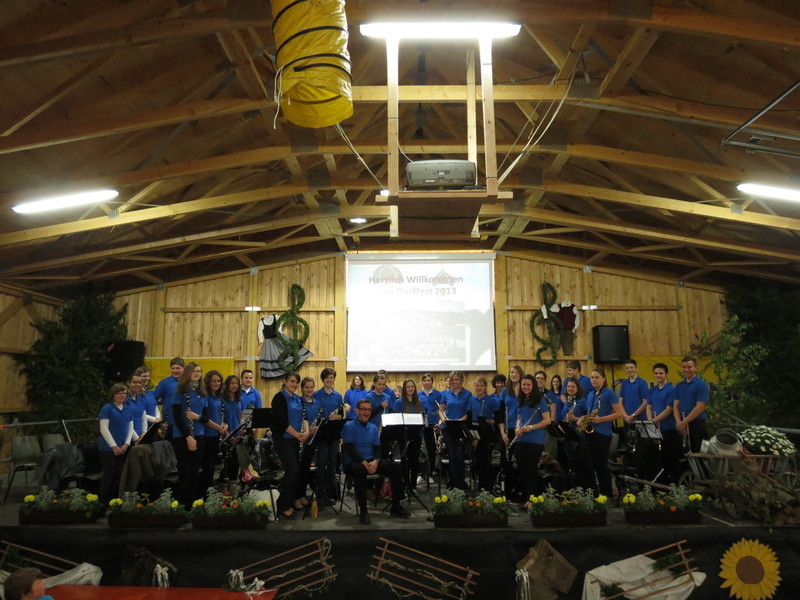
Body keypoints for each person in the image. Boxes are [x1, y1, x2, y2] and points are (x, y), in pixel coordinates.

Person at [341, 399, 410, 524]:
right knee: (360, 470)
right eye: (363, 409)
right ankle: (363, 512)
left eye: (368, 409)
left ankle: (396, 506)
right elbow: (348, 448)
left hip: (371, 461)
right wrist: (363, 462)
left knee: (396, 467)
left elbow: (377, 448)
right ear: (357, 411)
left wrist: (376, 461)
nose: (366, 412)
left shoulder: (372, 427)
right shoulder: (348, 426)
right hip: (354, 461)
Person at [168, 361, 206, 506]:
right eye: (194, 371)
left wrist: (197, 417)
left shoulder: (202, 393)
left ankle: (194, 504)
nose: (197, 374)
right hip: (182, 436)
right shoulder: (179, 392)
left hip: (199, 434)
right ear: (188, 373)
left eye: (199, 371)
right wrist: (188, 437)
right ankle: (183, 505)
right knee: (185, 472)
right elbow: (177, 418)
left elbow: (205, 417)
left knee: (195, 471)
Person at [269, 371, 305, 519]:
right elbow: (281, 421)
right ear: (285, 381)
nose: (294, 384)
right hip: (283, 439)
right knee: (291, 471)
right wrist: (297, 434)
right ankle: (282, 505)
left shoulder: (297, 398)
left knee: (296, 472)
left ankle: (290, 501)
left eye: (296, 382)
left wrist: (305, 432)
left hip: (295, 439)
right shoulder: (279, 398)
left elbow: (304, 417)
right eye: (292, 381)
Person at [511, 374, 550, 507]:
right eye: (523, 384)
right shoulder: (521, 399)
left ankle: (533, 499)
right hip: (521, 439)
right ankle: (529, 497)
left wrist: (531, 427)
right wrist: (517, 427)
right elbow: (519, 417)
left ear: (533, 386)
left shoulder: (540, 400)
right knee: (523, 470)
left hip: (535, 440)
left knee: (531, 470)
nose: (526, 387)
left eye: (528, 385)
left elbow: (547, 420)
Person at [584, 368, 624, 496]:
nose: (594, 380)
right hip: (590, 432)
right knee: (591, 464)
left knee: (601, 465)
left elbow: (619, 413)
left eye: (597, 377)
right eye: (592, 377)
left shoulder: (609, 393)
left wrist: (601, 419)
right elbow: (589, 412)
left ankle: (606, 494)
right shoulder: (591, 394)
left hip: (603, 433)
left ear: (603, 379)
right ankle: (594, 493)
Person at [313, 368, 347, 505]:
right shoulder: (316, 394)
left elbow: (341, 414)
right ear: (323, 379)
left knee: (333, 464)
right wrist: (324, 418)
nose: (329, 380)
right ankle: (319, 494)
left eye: (331, 377)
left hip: (333, 433)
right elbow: (314, 413)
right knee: (321, 463)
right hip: (321, 433)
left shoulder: (338, 396)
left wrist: (338, 416)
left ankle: (330, 493)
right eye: (327, 377)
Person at [191, 370, 228, 495]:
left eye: (219, 381)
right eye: (213, 381)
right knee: (206, 468)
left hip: (216, 435)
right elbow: (204, 418)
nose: (216, 383)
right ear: (207, 382)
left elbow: (219, 416)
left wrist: (224, 425)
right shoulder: (204, 395)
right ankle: (200, 495)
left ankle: (207, 494)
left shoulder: (218, 396)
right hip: (205, 435)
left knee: (211, 468)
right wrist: (218, 427)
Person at [98, 382, 135, 503]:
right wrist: (114, 446)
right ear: (113, 395)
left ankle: (116, 501)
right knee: (109, 475)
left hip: (123, 446)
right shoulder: (107, 408)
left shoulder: (128, 408)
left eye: (124, 393)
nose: (121, 396)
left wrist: (127, 444)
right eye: (118, 393)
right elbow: (104, 428)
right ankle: (103, 503)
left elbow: (130, 427)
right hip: (108, 448)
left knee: (120, 475)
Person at [648, 363, 681, 484]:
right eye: (656, 373)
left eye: (661, 373)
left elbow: (669, 409)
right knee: (659, 460)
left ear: (666, 374)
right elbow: (649, 407)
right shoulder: (652, 390)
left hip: (669, 429)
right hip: (657, 430)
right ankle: (662, 485)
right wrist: (650, 422)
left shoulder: (672, 390)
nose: (658, 375)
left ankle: (675, 486)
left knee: (671, 460)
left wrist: (654, 420)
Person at [559, 378, 594, 489]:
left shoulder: (582, 401)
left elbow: (589, 418)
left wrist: (575, 418)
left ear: (578, 389)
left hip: (579, 437)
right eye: (568, 386)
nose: (570, 388)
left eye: (573, 387)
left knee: (580, 468)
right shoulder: (567, 402)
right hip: (568, 437)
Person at [440, 370, 471, 490]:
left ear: (461, 380)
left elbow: (469, 412)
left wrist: (460, 421)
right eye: (452, 379)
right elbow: (440, 410)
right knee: (452, 457)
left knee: (459, 457)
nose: (454, 382)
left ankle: (460, 484)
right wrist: (443, 419)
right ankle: (453, 484)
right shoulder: (446, 394)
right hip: (448, 429)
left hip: (461, 428)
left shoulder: (468, 394)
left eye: (456, 379)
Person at [468, 376, 500, 491]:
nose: (479, 388)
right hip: (475, 432)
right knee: (477, 462)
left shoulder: (492, 400)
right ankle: (479, 486)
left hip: (487, 433)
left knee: (486, 461)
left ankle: (487, 487)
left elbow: (498, 417)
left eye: (481, 385)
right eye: (477, 386)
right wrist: (472, 437)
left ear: (486, 387)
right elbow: (469, 418)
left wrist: (492, 421)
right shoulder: (471, 400)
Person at [392, 378, 424, 493]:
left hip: (416, 436)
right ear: (404, 389)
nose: (410, 389)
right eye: (408, 387)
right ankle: (405, 486)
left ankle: (413, 486)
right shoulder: (399, 402)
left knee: (414, 461)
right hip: (403, 436)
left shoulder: (419, 403)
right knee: (405, 461)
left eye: (412, 387)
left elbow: (422, 419)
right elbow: (396, 419)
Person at [295, 377, 322, 511]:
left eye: (311, 387)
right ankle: (298, 495)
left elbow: (320, 419)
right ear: (302, 389)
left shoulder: (317, 402)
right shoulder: (299, 402)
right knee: (300, 470)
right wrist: (305, 430)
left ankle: (304, 495)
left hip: (313, 439)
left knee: (308, 471)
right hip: (302, 439)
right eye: (307, 387)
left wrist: (316, 428)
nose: (309, 390)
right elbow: (299, 418)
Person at [675, 356, 710, 453]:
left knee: (698, 453)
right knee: (684, 453)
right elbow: (676, 406)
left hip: (696, 424)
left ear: (696, 368)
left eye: (689, 367)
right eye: (684, 367)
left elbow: (700, 407)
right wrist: (679, 422)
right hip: (682, 424)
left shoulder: (701, 385)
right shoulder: (679, 385)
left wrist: (684, 422)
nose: (686, 370)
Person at [419, 373, 443, 482]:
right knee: (421, 451)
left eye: (429, 380)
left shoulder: (438, 394)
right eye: (425, 380)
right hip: (421, 425)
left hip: (433, 426)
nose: (427, 382)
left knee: (431, 449)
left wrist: (439, 423)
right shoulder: (418, 394)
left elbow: (441, 410)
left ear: (432, 382)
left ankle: (430, 472)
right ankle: (421, 473)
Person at [134, 366, 160, 432]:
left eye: (148, 376)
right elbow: (137, 413)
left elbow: (155, 407)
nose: (147, 378)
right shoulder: (135, 394)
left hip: (153, 428)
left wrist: (158, 418)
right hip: (141, 429)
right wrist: (153, 419)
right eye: (144, 376)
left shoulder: (149, 392)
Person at [125, 371, 147, 437]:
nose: (137, 384)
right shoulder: (124, 399)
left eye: (139, 382)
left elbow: (143, 418)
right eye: (134, 382)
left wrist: (144, 433)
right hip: (127, 437)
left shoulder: (141, 398)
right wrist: (136, 438)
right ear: (128, 383)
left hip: (140, 436)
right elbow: (126, 422)